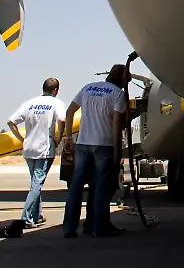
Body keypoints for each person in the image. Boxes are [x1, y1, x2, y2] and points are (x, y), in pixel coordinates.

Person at [61, 64, 130, 238]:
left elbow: (69, 112)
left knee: (76, 187)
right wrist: (117, 150)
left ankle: (69, 228)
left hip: (83, 143)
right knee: (101, 187)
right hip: (104, 145)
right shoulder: (118, 94)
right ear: (122, 81)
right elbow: (115, 125)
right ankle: (99, 228)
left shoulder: (87, 88)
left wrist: (69, 137)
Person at [7, 77, 67, 228]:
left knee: (35, 183)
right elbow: (62, 120)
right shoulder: (56, 103)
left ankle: (37, 215)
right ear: (55, 90)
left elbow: (11, 122)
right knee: (37, 184)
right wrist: (58, 139)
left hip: (29, 148)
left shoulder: (30, 103)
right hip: (44, 148)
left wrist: (22, 139)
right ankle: (26, 218)